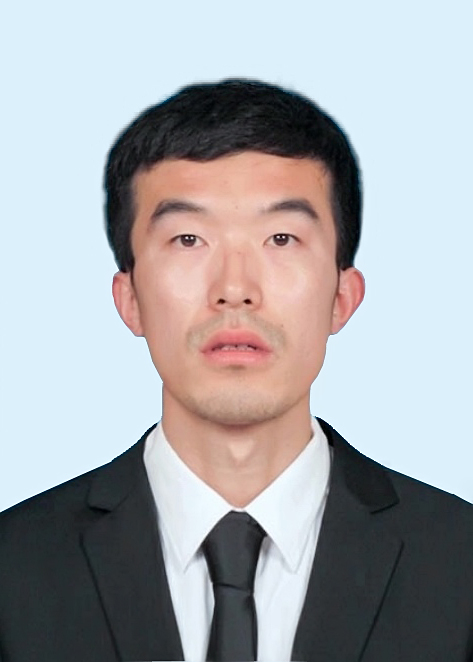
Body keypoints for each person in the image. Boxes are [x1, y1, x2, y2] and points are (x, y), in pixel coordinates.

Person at [0, 79, 472, 662]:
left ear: (342, 298)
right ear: (130, 300)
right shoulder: (15, 565)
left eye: (281, 238)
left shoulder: (459, 560)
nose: (234, 289)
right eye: (188, 239)